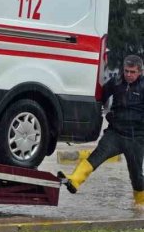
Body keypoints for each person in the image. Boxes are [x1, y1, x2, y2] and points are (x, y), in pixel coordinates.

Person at [59, 54, 144, 207]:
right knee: (96, 156)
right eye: (126, 71)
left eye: (132, 72)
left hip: (136, 138)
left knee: (136, 176)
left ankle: (140, 206)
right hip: (115, 134)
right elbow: (100, 98)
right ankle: (74, 181)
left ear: (140, 72)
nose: (129, 75)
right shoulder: (116, 82)